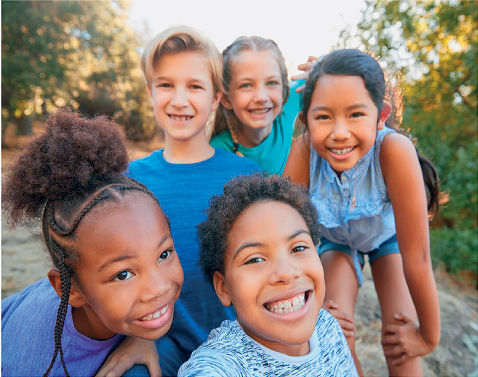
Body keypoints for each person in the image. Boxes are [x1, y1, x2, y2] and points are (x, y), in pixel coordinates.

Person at [109, 26, 261, 377]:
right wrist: (140, 334)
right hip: (162, 339)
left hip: (239, 340)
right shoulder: (129, 179)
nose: (179, 100)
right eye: (166, 85)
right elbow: (120, 271)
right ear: (149, 91)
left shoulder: (245, 174)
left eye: (194, 86)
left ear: (216, 97)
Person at [283, 49, 441, 376]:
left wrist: (428, 337)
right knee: (333, 323)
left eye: (355, 114)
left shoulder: (394, 151)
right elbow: (285, 237)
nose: (340, 132)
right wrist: (313, 303)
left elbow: (419, 258)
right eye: (324, 116)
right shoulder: (303, 152)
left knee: (401, 332)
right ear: (306, 119)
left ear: (381, 115)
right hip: (334, 240)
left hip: (387, 239)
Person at [1, 108, 183, 377]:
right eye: (123, 274)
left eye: (164, 254)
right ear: (69, 289)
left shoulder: (122, 298)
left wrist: (144, 337)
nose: (158, 287)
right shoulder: (32, 363)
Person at [177, 173, 358, 376]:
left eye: (298, 248)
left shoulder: (328, 327)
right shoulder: (219, 367)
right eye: (255, 259)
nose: (286, 273)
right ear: (223, 287)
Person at [210, 36, 303, 175]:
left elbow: (342, 65)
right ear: (226, 99)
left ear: (284, 91)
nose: (261, 97)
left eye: (271, 83)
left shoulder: (292, 98)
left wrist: (321, 69)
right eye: (246, 85)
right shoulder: (219, 152)